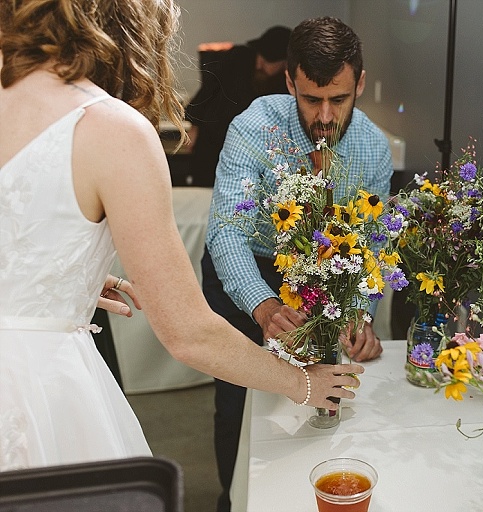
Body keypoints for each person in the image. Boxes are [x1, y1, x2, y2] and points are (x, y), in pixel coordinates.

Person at [0, 0, 362, 472]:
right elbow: (190, 334)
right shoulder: (112, 129)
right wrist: (305, 384)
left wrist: (46, 281)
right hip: (35, 392)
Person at [203, 16, 393, 512]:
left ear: (360, 84)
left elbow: (370, 244)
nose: (325, 116)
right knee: (241, 396)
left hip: (326, 273)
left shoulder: (373, 148)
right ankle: (236, 499)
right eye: (311, 99)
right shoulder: (252, 128)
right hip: (249, 271)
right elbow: (226, 231)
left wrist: (361, 314)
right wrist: (264, 306)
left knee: (324, 391)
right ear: (290, 82)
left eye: (339, 99)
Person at [184, 26, 291, 187]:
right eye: (260, 58)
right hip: (213, 134)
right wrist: (194, 127)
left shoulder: (282, 82)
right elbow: (208, 89)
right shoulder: (238, 57)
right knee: (204, 184)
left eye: (267, 62)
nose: (260, 66)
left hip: (249, 145)